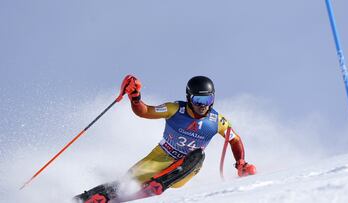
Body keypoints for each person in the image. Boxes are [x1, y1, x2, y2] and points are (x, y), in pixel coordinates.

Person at [74, 75, 256, 203]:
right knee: (125, 183)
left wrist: (241, 162)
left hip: (187, 166)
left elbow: (234, 139)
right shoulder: (175, 109)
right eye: (198, 100)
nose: (203, 106)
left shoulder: (217, 121)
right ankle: (86, 198)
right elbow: (145, 112)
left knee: (199, 154)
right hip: (160, 156)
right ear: (189, 98)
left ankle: (159, 183)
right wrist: (135, 97)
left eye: (207, 100)